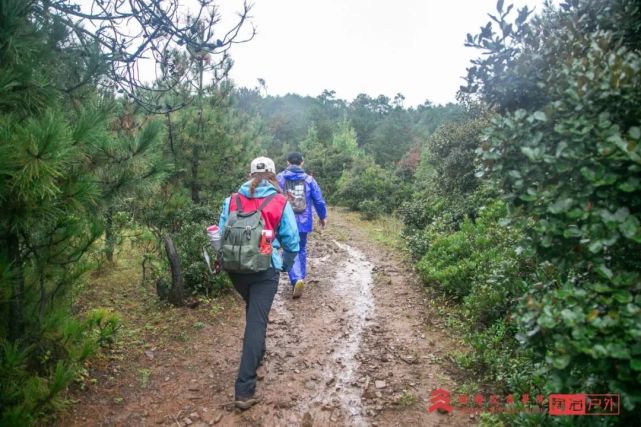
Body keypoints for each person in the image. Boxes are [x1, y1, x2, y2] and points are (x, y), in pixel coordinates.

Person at [218, 156, 300, 409]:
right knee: (257, 322)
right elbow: (292, 241)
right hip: (265, 269)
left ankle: (258, 353)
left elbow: (221, 235)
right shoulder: (278, 201)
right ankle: (244, 390)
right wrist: (284, 265)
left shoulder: (231, 200)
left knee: (253, 309)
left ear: (249, 173)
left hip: (235, 269)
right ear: (274, 175)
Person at [277, 152, 327, 299]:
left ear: (287, 163)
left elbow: (272, 197)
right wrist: (323, 216)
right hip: (304, 221)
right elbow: (318, 200)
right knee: (301, 249)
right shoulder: (309, 179)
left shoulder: (279, 178)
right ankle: (300, 278)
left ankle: (296, 278)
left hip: (285, 221)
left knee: (288, 249)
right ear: (302, 163)